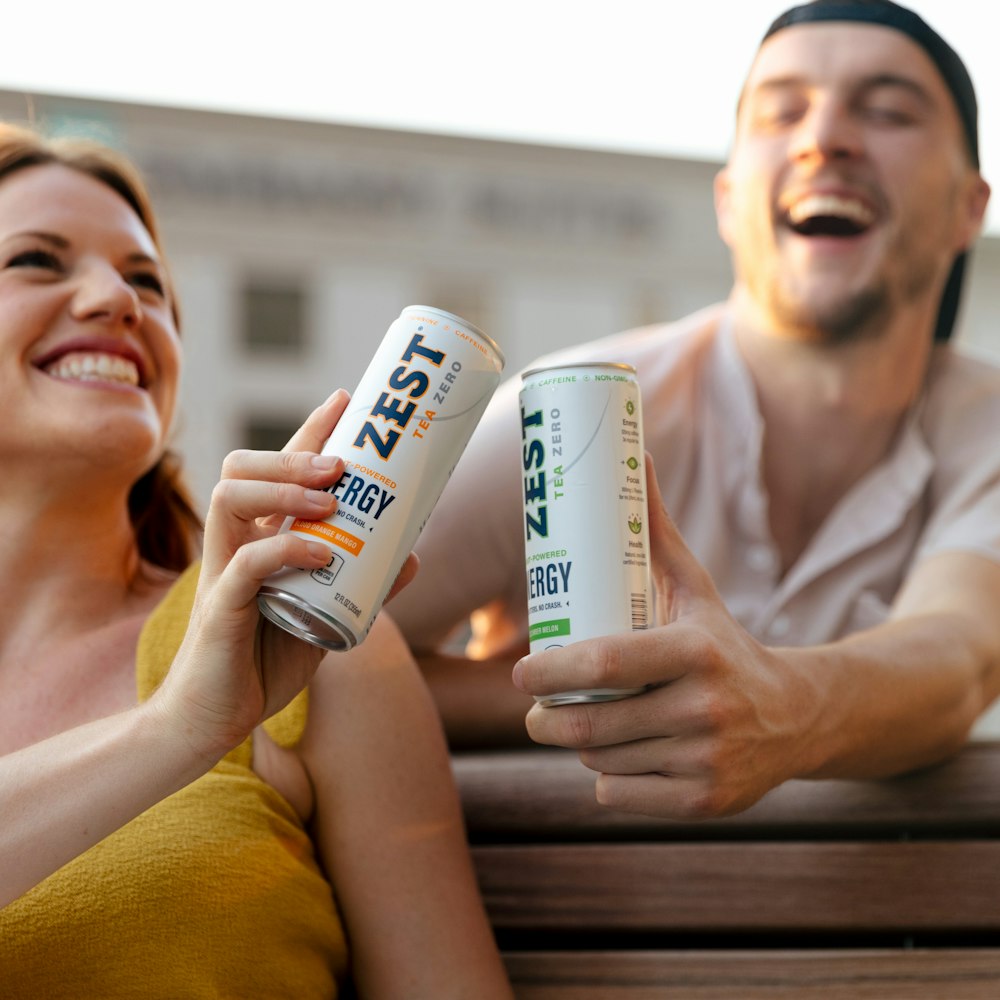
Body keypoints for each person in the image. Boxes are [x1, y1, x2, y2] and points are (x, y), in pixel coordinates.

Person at [389, 0, 1000, 820]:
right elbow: (321, 653)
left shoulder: (987, 430)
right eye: (782, 111)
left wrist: (776, 700)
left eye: (888, 110)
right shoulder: (571, 406)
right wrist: (592, 696)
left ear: (972, 206)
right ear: (727, 198)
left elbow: (960, 656)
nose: (826, 138)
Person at [0, 123, 513, 999]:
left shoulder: (309, 655)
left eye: (148, 282)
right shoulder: (227, 688)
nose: (118, 299)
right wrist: (174, 733)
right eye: (37, 262)